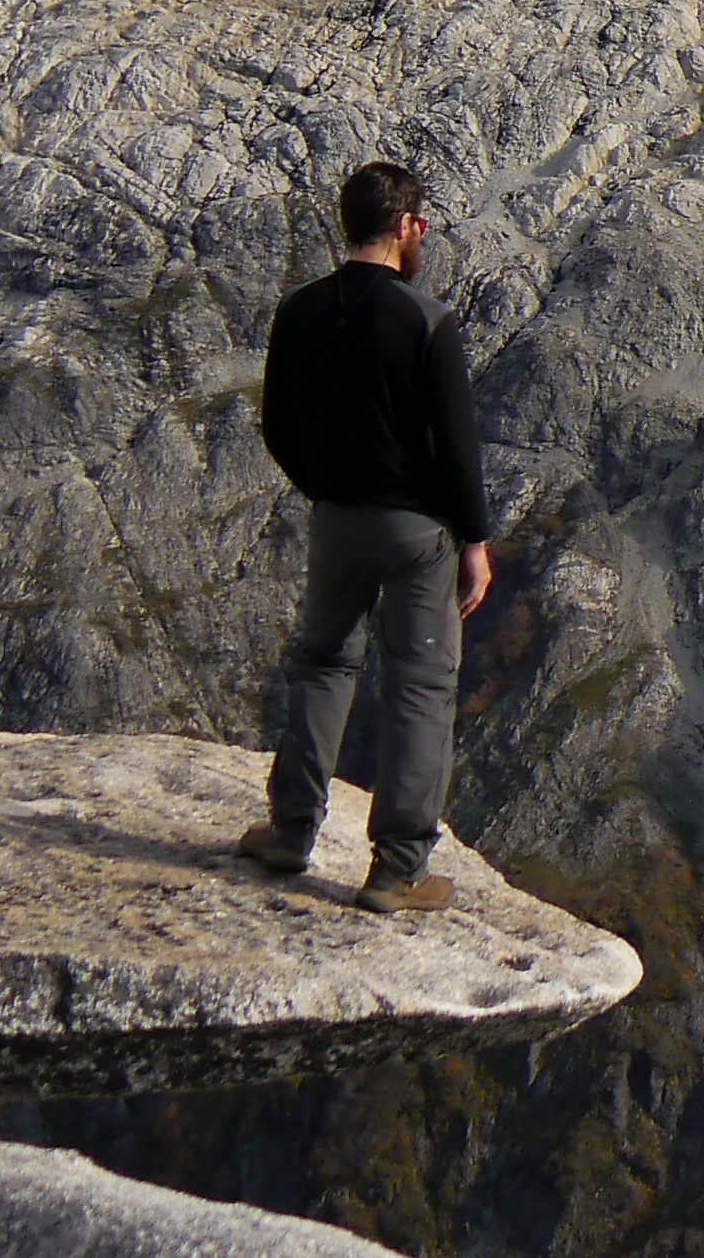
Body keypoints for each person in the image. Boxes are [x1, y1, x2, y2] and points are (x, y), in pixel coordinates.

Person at [236, 159, 493, 912]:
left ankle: (290, 832)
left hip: (336, 520)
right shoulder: (426, 320)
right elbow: (458, 444)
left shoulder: (299, 311)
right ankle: (395, 872)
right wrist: (474, 543)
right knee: (419, 688)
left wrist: (325, 489)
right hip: (417, 533)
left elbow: (277, 426)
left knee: (320, 665)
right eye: (423, 228)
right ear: (409, 226)